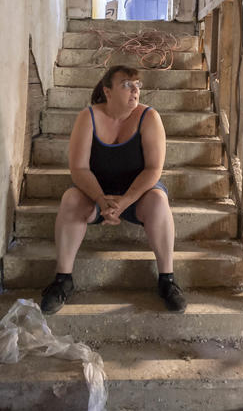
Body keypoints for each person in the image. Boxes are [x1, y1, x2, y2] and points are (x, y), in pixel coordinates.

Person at [39, 64, 187, 314]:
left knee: (159, 201)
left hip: (137, 195)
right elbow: (79, 169)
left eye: (137, 85)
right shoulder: (88, 117)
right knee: (70, 199)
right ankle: (63, 280)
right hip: (96, 193)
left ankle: (167, 281)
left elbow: (153, 169)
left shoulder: (149, 117)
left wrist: (124, 202)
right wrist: (101, 199)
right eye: (126, 85)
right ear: (107, 92)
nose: (135, 91)